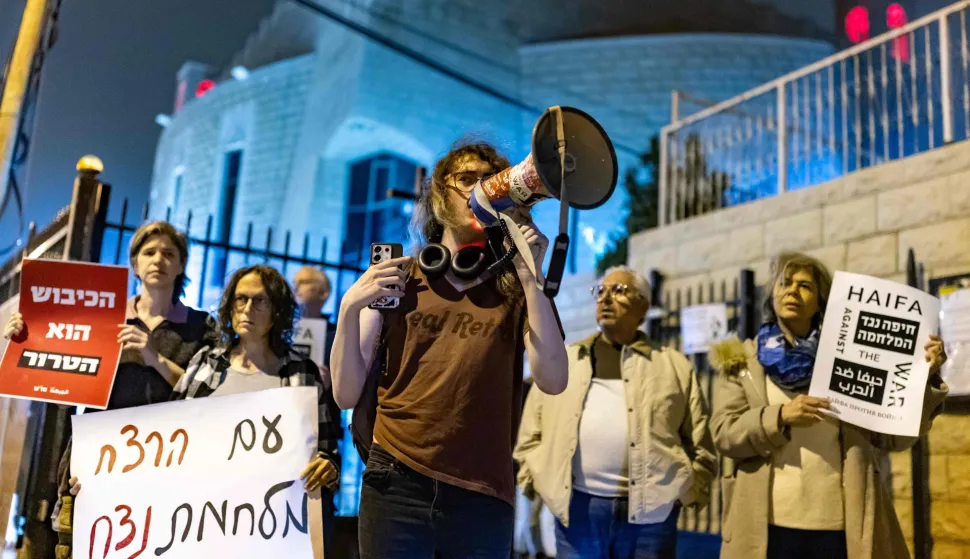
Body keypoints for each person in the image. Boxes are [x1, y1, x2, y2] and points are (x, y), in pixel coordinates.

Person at [330, 141, 569, 559]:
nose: (479, 189)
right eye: (466, 179)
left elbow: (553, 379)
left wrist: (531, 277)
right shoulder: (397, 278)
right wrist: (351, 307)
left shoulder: (515, 288)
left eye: (489, 181)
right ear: (440, 194)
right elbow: (345, 394)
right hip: (396, 483)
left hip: (483, 492)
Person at [2, 221, 220, 559]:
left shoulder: (201, 326)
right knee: (87, 545)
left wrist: (153, 357)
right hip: (99, 452)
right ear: (135, 264)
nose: (158, 260)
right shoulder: (104, 313)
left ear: (181, 266)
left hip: (166, 458)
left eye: (168, 253)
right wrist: (24, 335)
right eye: (149, 252)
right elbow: (55, 356)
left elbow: (206, 396)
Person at [708, 252, 948, 559]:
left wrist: (922, 376)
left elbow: (895, 437)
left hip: (841, 525)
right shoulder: (742, 359)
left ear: (821, 300)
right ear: (773, 293)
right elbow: (723, 434)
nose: (793, 291)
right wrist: (779, 416)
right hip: (767, 525)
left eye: (805, 285)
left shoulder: (853, 358)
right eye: (785, 283)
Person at [515, 265, 716, 559]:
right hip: (578, 509)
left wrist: (690, 489)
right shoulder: (566, 359)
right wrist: (534, 479)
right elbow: (531, 430)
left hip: (652, 514)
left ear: (643, 307)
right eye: (600, 291)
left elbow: (699, 440)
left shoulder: (674, 365)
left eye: (619, 291)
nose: (605, 298)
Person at [172, 264, 342, 502]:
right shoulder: (205, 362)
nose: (248, 309)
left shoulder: (301, 372)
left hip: (269, 517)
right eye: (241, 299)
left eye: (260, 301)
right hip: (202, 507)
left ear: (277, 312)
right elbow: (171, 434)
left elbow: (327, 451)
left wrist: (327, 467)